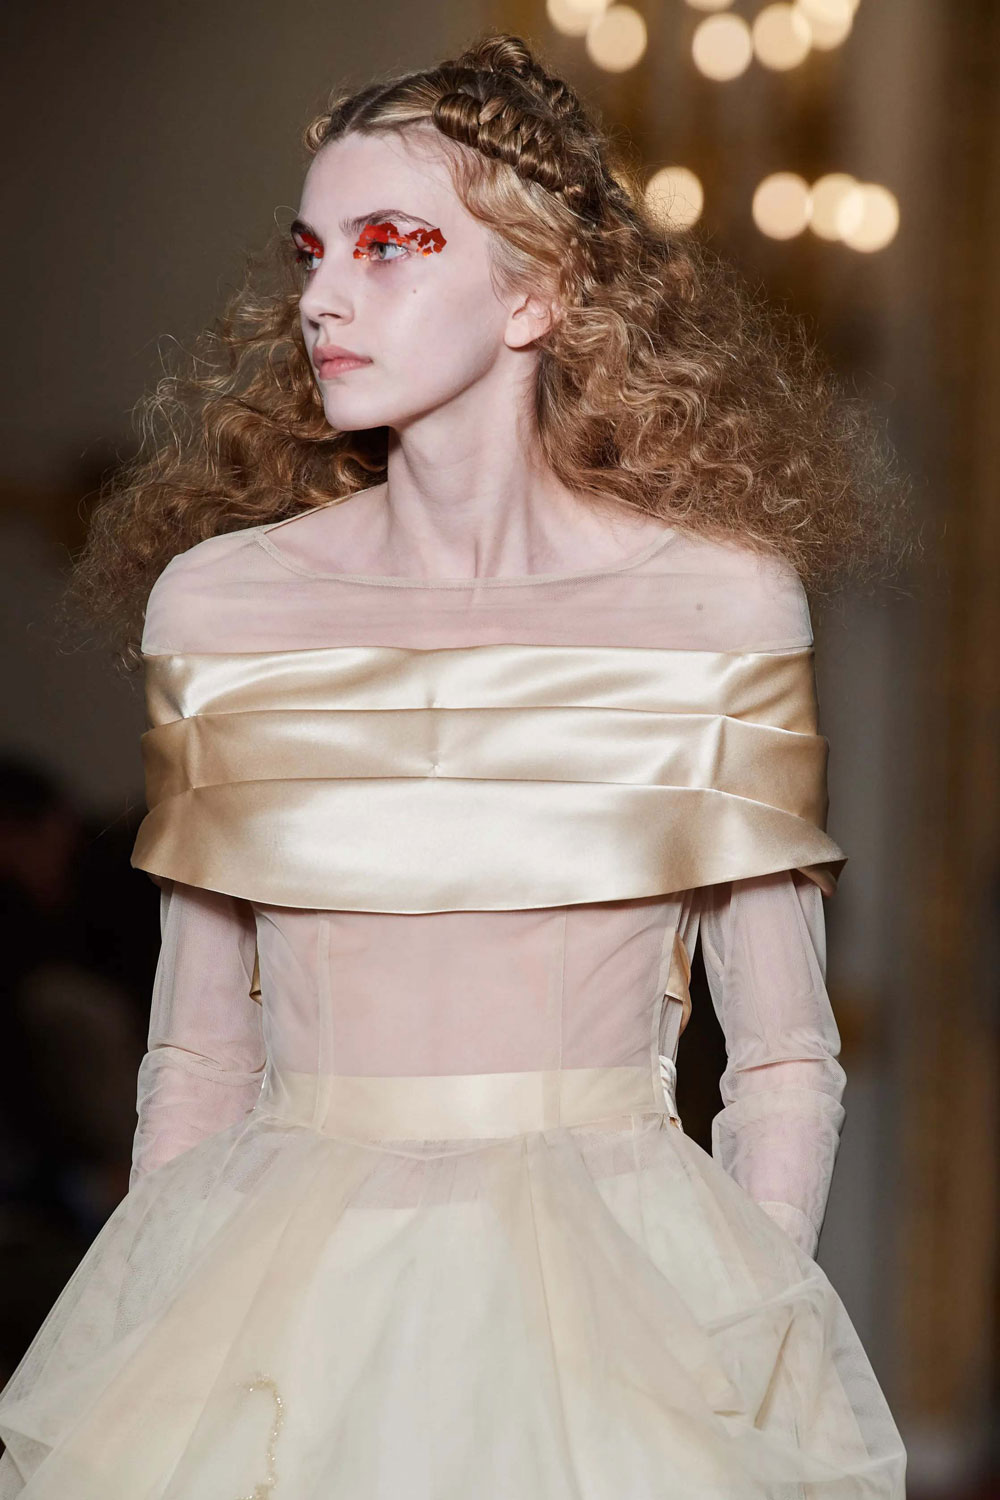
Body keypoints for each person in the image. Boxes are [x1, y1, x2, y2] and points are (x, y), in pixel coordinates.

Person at [0, 31, 908, 1496]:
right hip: (281, 1306)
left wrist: (738, 1347)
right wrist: (144, 1349)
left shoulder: (718, 605)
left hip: (622, 1313)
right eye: (313, 252)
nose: (323, 296)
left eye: (391, 244)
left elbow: (784, 1059)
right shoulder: (223, 609)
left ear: (536, 291)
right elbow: (198, 1057)